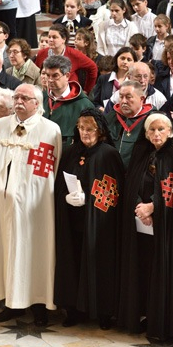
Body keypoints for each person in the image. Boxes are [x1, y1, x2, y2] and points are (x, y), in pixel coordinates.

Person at [0, 83, 61, 324]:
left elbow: (50, 169)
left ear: (37, 103)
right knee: (3, 248)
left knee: (35, 251)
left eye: (25, 98)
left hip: (34, 206)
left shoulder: (49, 129)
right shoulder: (0, 126)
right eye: (16, 97)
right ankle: (10, 302)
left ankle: (39, 304)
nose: (19, 101)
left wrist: (30, 194)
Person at [117, 113, 173, 341]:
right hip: (141, 223)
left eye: (161, 129)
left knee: (164, 270)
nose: (156, 134)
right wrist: (139, 207)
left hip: (168, 225)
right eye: (152, 130)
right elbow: (131, 182)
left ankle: (163, 322)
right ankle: (142, 315)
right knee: (142, 268)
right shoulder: (141, 150)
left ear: (170, 131)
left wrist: (153, 206)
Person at [54, 108, 125, 329]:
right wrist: (65, 198)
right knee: (72, 262)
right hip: (73, 221)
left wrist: (91, 199)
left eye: (90, 129)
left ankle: (103, 312)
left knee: (99, 266)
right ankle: (73, 310)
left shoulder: (109, 154)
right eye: (81, 128)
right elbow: (58, 186)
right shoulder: (70, 152)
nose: (85, 133)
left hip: (100, 224)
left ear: (100, 131)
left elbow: (114, 192)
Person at [41, 54, 94, 146]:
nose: (50, 80)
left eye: (55, 76)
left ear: (67, 76)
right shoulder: (41, 98)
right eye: (48, 75)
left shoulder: (84, 105)